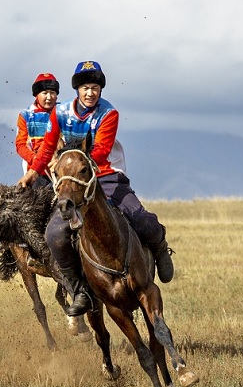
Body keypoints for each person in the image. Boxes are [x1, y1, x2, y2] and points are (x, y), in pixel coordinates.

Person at [30, 61, 175, 317]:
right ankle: (80, 290)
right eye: (85, 87)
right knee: (54, 235)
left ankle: (161, 247)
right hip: (73, 181)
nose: (90, 93)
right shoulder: (60, 113)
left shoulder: (109, 114)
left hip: (106, 176)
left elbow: (101, 152)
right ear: (77, 89)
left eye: (95, 87)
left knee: (140, 218)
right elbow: (47, 146)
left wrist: (77, 167)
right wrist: (32, 172)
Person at [16, 72, 60, 189]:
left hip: (60, 169)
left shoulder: (64, 113)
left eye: (53, 93)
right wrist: (36, 160)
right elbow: (20, 145)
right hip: (36, 172)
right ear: (37, 95)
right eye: (45, 93)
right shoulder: (26, 116)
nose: (49, 97)